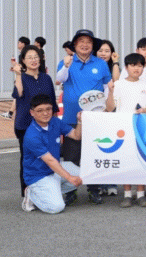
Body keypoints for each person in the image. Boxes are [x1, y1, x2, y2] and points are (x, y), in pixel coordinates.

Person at [54, 29, 111, 204]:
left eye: (88, 42)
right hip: (71, 118)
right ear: (75, 45)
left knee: (94, 154)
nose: (85, 45)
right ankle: (70, 191)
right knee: (71, 156)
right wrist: (66, 65)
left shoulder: (101, 63)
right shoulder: (67, 62)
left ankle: (94, 190)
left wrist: (106, 108)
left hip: (95, 118)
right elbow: (59, 79)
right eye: (81, 42)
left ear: (93, 45)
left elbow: (107, 86)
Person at [105, 53, 146, 208]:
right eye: (133, 65)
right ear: (127, 67)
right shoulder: (118, 85)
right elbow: (110, 108)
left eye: (140, 66)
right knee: (126, 161)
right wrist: (111, 91)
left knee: (141, 161)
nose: (137, 68)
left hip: (141, 128)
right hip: (123, 129)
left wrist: (144, 110)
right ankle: (127, 194)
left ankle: (141, 194)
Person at [11, 45, 59, 199]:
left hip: (46, 125)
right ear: (23, 61)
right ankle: (27, 194)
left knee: (46, 158)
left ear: (41, 59)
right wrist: (18, 75)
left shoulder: (46, 78)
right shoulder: (22, 78)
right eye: (29, 57)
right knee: (28, 161)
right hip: (25, 125)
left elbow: (52, 103)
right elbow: (18, 94)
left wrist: (55, 125)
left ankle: (45, 192)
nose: (33, 60)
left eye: (36, 57)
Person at [21, 95, 83, 214]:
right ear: (32, 112)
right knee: (57, 207)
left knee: (84, 175)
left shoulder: (55, 121)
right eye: (40, 110)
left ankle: (50, 191)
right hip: (39, 175)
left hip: (54, 170)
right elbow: (50, 161)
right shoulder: (32, 135)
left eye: (48, 109)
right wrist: (69, 177)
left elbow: (76, 136)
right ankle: (32, 194)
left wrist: (80, 121)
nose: (45, 113)